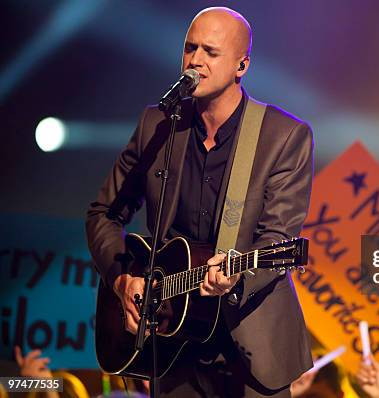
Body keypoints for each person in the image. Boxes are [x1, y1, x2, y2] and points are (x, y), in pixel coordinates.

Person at [86, 7, 313, 397]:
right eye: (190, 48)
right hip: (172, 342)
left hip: (253, 349)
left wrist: (237, 276)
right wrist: (121, 279)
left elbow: (276, 237)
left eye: (210, 51)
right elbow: (104, 214)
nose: (194, 61)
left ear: (241, 65)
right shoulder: (157, 125)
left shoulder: (283, 136)